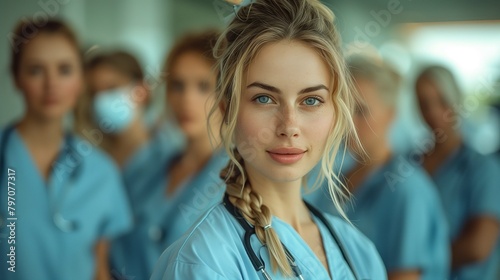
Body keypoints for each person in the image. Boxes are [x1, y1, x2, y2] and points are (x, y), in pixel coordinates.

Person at [151, 0, 387, 279]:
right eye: (264, 99)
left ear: (335, 111)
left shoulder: (359, 253)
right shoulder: (203, 261)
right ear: (228, 111)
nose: (289, 126)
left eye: (311, 100)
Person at [0, 19, 132, 280]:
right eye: (36, 70)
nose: (51, 84)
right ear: (16, 78)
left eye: (64, 69)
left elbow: (100, 271)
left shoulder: (102, 173)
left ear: (81, 80)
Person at [306, 55, 450, 280]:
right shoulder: (336, 177)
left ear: (391, 115)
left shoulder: (406, 189)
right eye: (343, 109)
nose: (349, 122)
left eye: (361, 111)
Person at [107, 31, 228, 280]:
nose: (186, 99)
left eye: (203, 86)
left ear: (227, 94)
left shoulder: (239, 178)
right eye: (177, 86)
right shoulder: (149, 166)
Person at [415, 65, 500, 280]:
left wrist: (412, 263)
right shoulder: (410, 163)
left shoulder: (482, 169)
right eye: (424, 104)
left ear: (456, 101)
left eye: (442, 101)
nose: (433, 112)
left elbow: (477, 248)